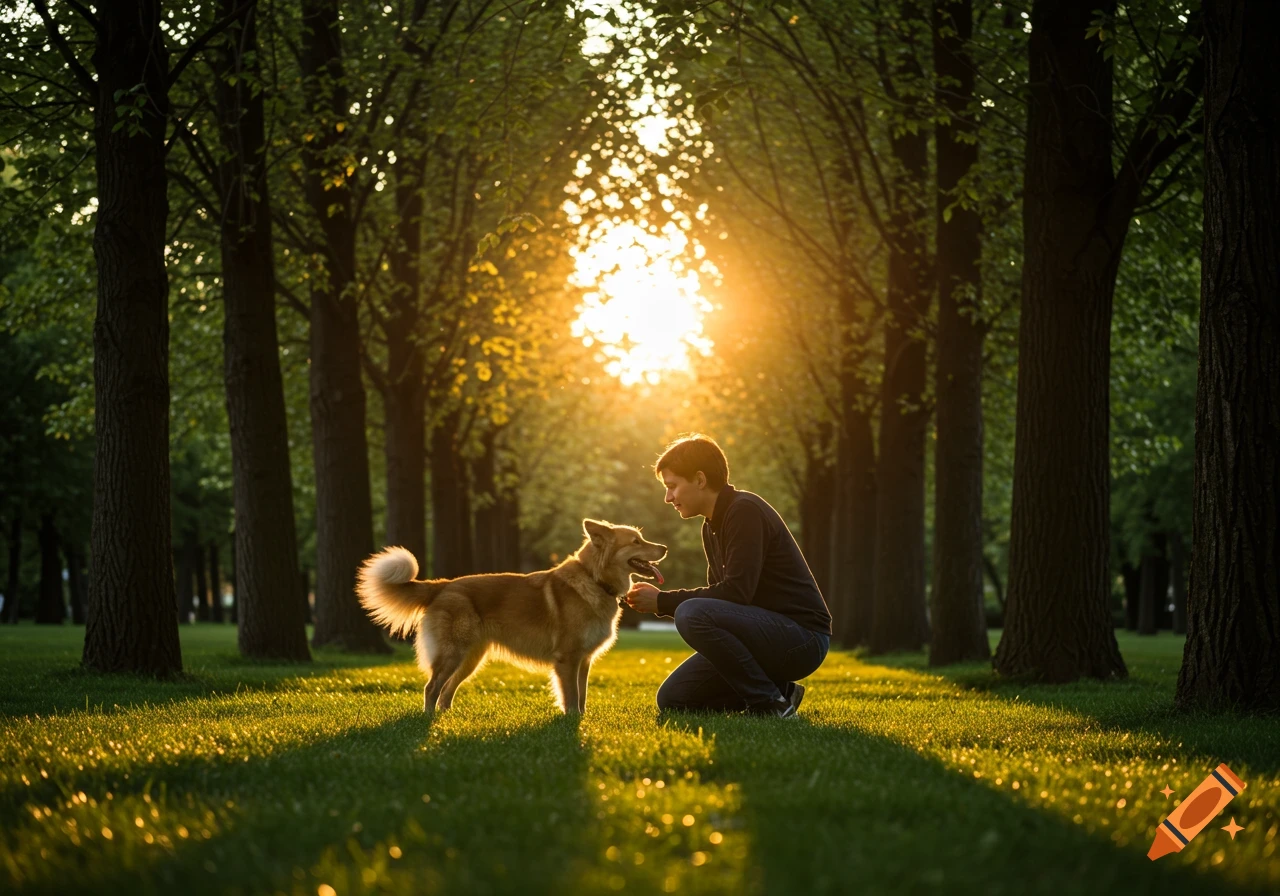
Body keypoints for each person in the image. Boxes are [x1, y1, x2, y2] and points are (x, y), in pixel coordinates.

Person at [624, 434, 831, 718]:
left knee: (691, 613)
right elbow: (723, 601)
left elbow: (735, 593)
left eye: (672, 486)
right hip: (764, 636)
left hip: (802, 640)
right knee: (674, 698)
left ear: (699, 480)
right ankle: (783, 691)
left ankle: (770, 705)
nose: (668, 497)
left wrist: (663, 602)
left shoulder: (744, 510)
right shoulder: (711, 526)